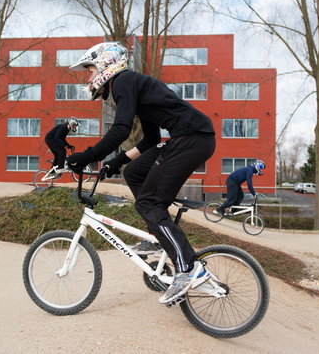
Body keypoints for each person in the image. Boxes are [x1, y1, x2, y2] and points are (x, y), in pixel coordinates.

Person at [66, 41, 216, 304]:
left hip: (192, 138)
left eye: (89, 70)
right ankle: (158, 234)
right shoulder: (133, 85)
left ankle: (189, 268)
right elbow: (150, 139)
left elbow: (121, 129)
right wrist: (117, 161)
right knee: (134, 172)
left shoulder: (123, 83)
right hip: (192, 137)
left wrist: (90, 157)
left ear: (104, 64)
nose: (88, 77)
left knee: (148, 202)